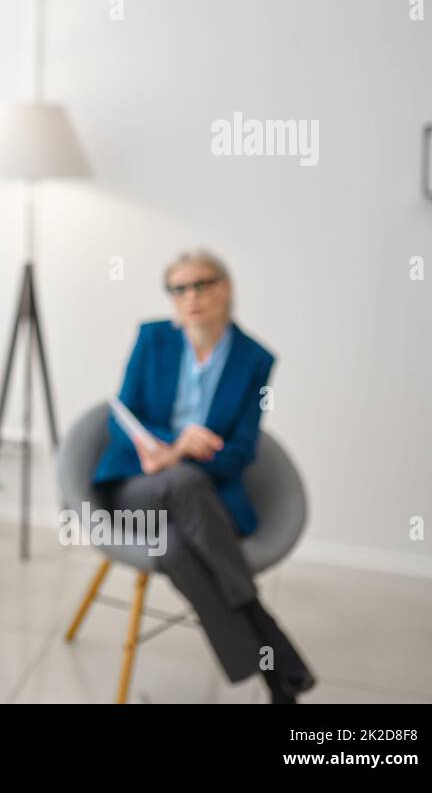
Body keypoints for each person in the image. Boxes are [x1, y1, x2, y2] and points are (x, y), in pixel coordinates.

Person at [93, 249, 315, 703]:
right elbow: (122, 418)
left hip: (203, 501)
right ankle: (263, 625)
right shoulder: (153, 339)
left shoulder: (253, 359)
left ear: (225, 288)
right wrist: (175, 449)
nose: (190, 296)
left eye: (202, 284)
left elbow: (241, 451)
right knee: (182, 481)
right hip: (139, 487)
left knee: (174, 546)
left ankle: (274, 681)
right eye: (179, 289)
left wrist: (197, 455)